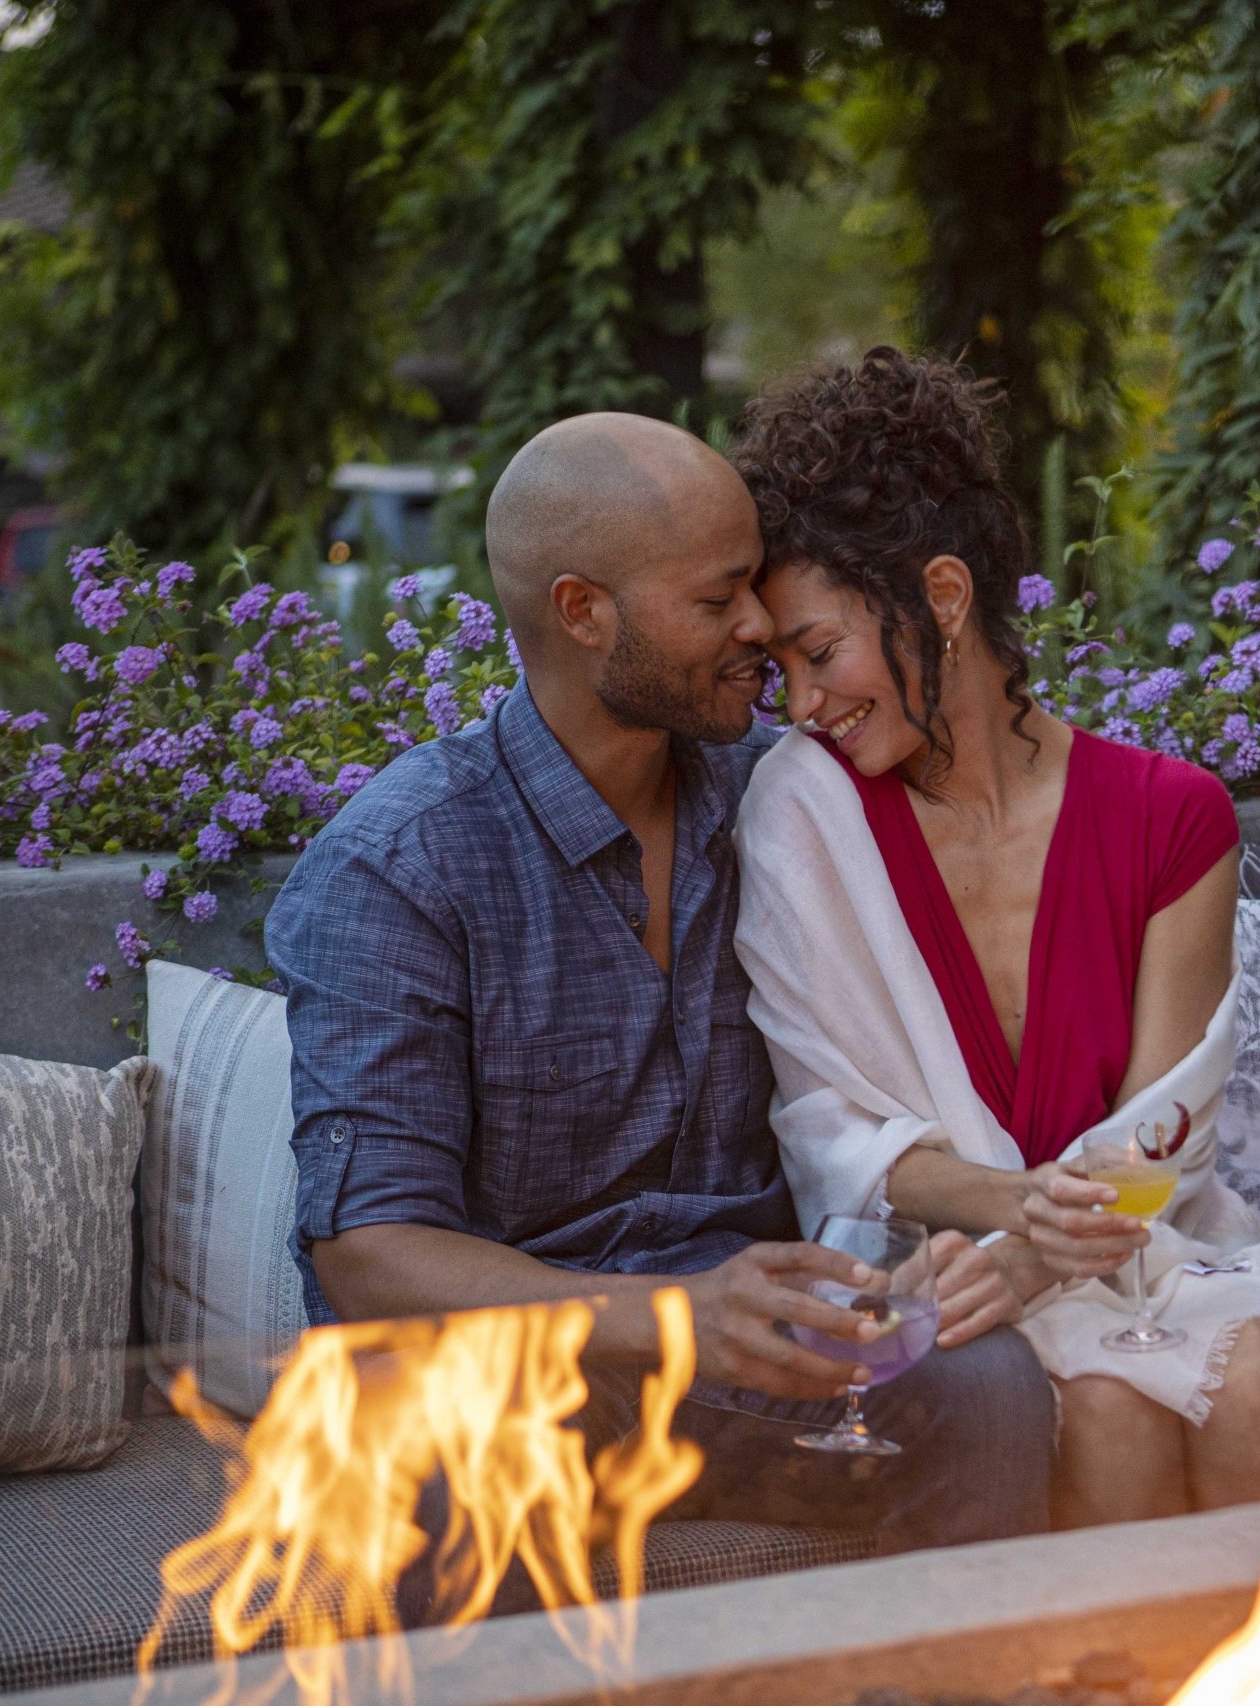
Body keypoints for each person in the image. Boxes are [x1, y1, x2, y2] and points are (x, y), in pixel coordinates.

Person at [268, 411, 1055, 1576]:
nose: (759, 626)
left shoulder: (783, 800)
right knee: (428, 1449)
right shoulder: (401, 866)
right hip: (519, 1373)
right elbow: (369, 1249)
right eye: (717, 598)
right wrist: (679, 1314)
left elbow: (997, 813)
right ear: (583, 612)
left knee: (985, 1387)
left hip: (757, 1364)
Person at [728, 349, 1260, 1530]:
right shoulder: (801, 809)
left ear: (943, 594)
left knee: (1254, 1379)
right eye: (775, 665)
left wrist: (1052, 1247)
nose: (801, 701)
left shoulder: (1168, 815)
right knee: (1104, 1409)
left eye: (818, 650)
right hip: (943, 1267)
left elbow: (1167, 1123)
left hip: (1149, 1244)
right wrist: (1012, 1221)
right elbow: (827, 1124)